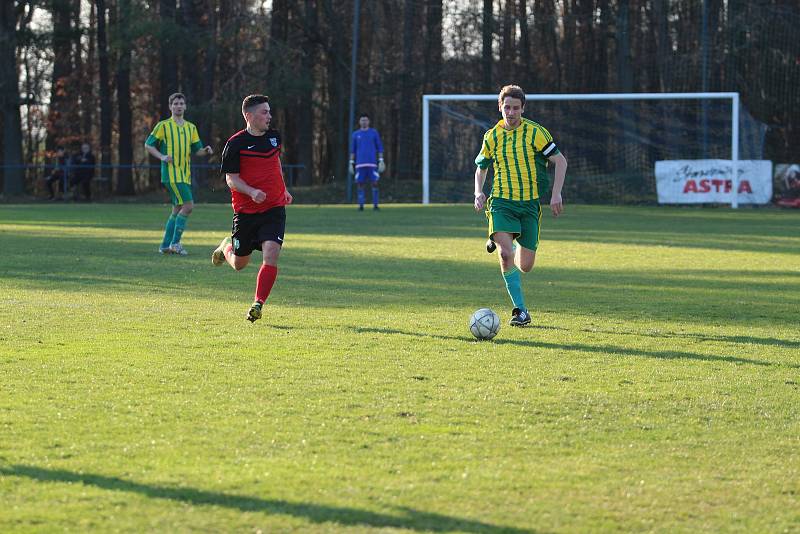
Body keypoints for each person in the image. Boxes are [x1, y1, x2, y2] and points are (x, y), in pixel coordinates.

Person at [473, 85, 567, 327]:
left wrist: (556, 194)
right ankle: (521, 311)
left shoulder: (536, 133)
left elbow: (560, 161)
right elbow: (481, 167)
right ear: (500, 108)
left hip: (529, 206)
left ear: (523, 108)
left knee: (525, 266)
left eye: (516, 108)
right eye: (507, 107)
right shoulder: (492, 136)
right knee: (506, 254)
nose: (511, 112)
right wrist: (478, 191)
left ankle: (502, 237)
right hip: (501, 202)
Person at [212, 94, 293, 323]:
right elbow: (231, 179)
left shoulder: (274, 137)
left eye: (269, 111)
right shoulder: (235, 144)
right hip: (246, 212)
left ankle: (258, 304)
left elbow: (276, 162)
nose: (270, 116)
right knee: (239, 264)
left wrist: (283, 188)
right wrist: (251, 192)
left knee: (271, 254)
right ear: (249, 116)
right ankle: (225, 248)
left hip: (274, 207)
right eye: (264, 112)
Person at [145, 92, 213, 255]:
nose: (178, 106)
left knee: (177, 208)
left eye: (181, 103)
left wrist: (206, 150)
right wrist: (162, 156)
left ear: (185, 106)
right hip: (171, 173)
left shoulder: (191, 128)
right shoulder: (163, 126)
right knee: (188, 206)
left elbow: (198, 151)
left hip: (185, 174)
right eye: (175, 103)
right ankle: (175, 243)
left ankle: (164, 245)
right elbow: (148, 145)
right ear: (170, 107)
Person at [349, 113, 385, 211]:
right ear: (359, 122)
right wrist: (351, 162)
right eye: (362, 120)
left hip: (372, 163)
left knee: (375, 183)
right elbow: (353, 150)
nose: (364, 122)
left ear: (368, 122)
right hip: (360, 164)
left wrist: (381, 160)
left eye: (366, 120)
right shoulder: (356, 134)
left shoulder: (374, 133)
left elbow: (380, 147)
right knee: (360, 183)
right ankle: (361, 205)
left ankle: (375, 205)